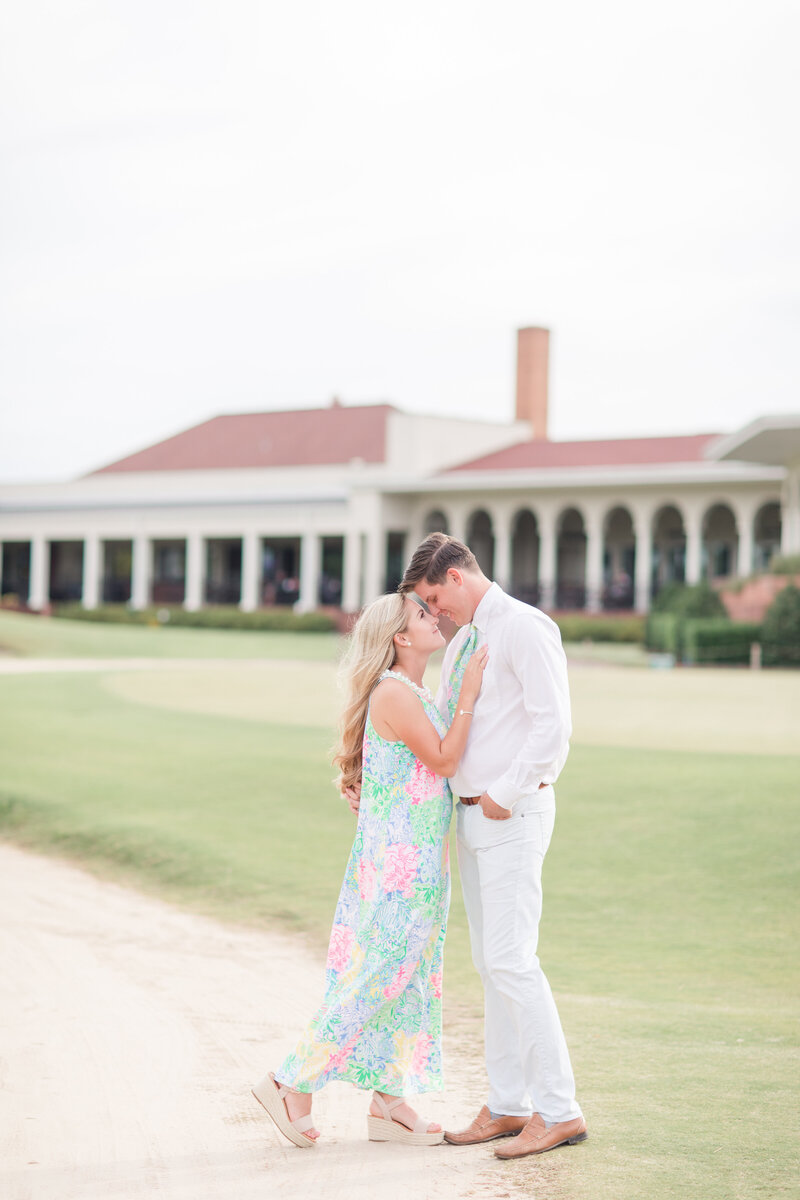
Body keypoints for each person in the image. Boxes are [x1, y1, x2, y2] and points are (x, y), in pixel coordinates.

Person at [252, 589, 487, 1148]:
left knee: (408, 979)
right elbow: (446, 760)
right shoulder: (396, 693)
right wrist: (469, 696)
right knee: (378, 976)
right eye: (422, 614)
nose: (435, 617)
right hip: (400, 868)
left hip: (416, 862)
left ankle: (389, 1104)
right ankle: (290, 1081)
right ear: (401, 637)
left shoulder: (410, 690)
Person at [398, 532, 587, 1159]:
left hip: (515, 813)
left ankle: (559, 1110)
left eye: (433, 598)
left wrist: (506, 791)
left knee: (512, 960)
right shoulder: (465, 643)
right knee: (490, 964)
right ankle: (508, 1104)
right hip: (470, 818)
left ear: (455, 576)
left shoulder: (526, 628)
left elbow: (553, 726)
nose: (433, 613)